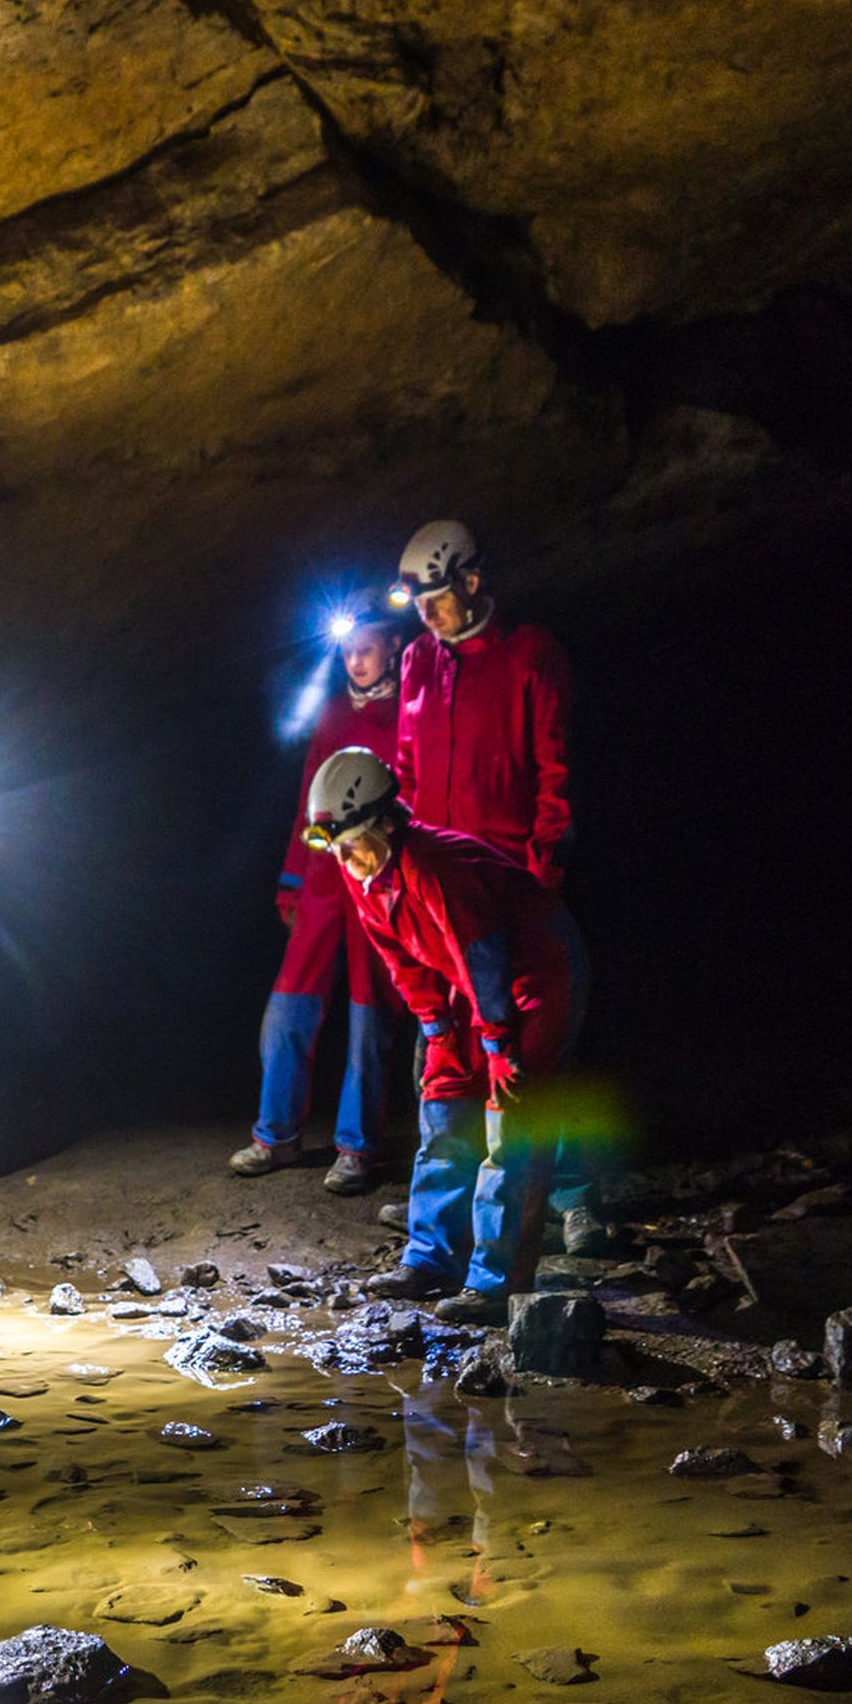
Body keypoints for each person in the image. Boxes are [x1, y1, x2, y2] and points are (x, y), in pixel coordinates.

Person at [384, 519, 606, 1251]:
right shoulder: (418, 661)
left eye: (436, 598)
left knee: (535, 1050)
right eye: (416, 603)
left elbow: (555, 774)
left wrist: (540, 877)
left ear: (472, 581)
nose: (425, 615)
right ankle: (452, 1209)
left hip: (510, 887)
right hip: (440, 896)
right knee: (445, 1050)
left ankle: (571, 1198)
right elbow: (405, 773)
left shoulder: (528, 655)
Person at [307, 747, 576, 1324]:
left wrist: (498, 1046)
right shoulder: (363, 870)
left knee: (510, 1121)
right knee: (443, 1105)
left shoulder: (434, 865)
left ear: (385, 824)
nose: (343, 858)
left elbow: (482, 955)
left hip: (537, 973)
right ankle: (433, 1258)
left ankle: (497, 1283)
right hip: (470, 981)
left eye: (350, 843)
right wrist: (437, 1028)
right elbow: (403, 961)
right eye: (335, 847)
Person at [232, 609, 406, 1192]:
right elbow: (310, 801)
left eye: (366, 648)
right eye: (348, 651)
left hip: (378, 874)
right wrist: (292, 879)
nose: (355, 660)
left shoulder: (410, 709)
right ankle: (275, 1135)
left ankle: (356, 1147)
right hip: (325, 876)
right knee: (289, 1005)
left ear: (392, 646)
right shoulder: (333, 712)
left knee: (369, 1011)